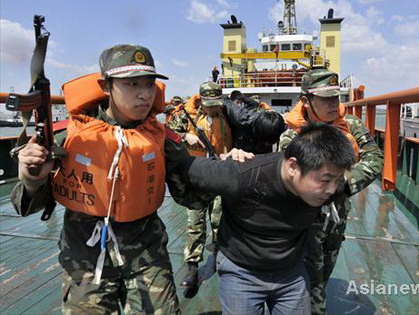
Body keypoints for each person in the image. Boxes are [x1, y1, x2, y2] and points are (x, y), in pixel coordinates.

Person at [9, 44, 202, 314]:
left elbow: (190, 195)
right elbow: (23, 205)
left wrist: (226, 171)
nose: (144, 94)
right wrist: (32, 180)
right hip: (84, 259)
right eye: (132, 84)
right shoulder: (70, 136)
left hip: (147, 254)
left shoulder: (161, 138)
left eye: (149, 84)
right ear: (105, 85)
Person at [177, 122, 355, 314]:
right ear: (293, 166)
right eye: (325, 180)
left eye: (336, 180)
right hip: (241, 272)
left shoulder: (330, 188)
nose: (331, 189)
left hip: (291, 273)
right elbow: (183, 167)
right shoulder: (242, 175)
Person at [280, 69, 383, 315]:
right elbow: (287, 174)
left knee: (325, 271)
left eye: (336, 97)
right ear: (306, 100)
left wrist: (344, 183)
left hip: (337, 217)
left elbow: (375, 157)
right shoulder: (291, 133)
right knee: (310, 284)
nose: (333, 104)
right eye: (326, 98)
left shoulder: (351, 124)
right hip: (305, 220)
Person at [180, 81, 233, 297]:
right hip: (196, 177)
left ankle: (220, 258)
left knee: (219, 221)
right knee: (195, 223)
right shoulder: (186, 117)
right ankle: (192, 267)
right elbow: (163, 133)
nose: (214, 108)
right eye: (209, 104)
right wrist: (185, 136)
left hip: (220, 174)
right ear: (201, 101)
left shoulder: (228, 116)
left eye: (216, 104)